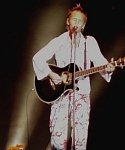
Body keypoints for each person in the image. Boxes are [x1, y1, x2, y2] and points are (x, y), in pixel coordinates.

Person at [32, 3, 115, 150]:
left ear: (83, 26)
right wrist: (51, 74)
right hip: (60, 94)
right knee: (58, 135)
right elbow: (37, 58)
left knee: (80, 136)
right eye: (74, 19)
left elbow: (101, 62)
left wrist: (108, 68)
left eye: (80, 21)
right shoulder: (59, 41)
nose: (76, 23)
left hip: (81, 92)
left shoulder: (90, 43)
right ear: (68, 21)